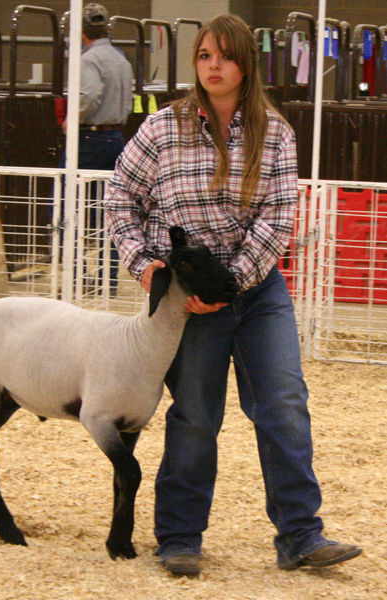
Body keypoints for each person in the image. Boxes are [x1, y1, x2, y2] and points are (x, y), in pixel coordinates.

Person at [104, 14, 362, 576]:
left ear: (245, 63)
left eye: (224, 56)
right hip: (186, 295)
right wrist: (149, 270)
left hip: (258, 290)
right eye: (203, 56)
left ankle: (300, 535)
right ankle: (178, 538)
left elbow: (277, 217)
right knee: (196, 415)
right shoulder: (163, 127)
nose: (213, 66)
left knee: (284, 404)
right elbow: (120, 197)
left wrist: (234, 283)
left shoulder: (275, 132)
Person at [58, 2, 133, 292]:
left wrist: (70, 118)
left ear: (81, 30)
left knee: (68, 205)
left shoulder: (88, 60)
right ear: (107, 29)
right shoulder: (121, 59)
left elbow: (88, 95)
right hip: (115, 138)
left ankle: (76, 276)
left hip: (87, 139)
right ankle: (108, 279)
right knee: (109, 209)